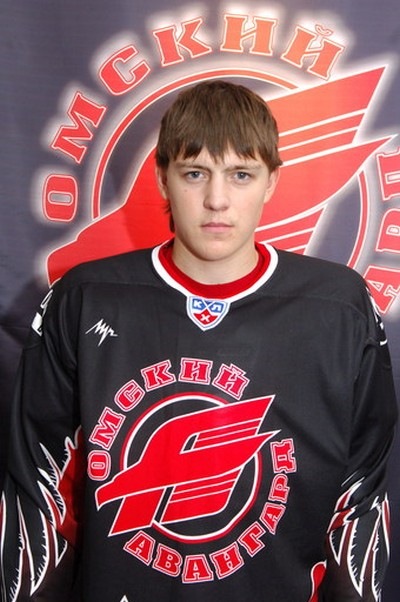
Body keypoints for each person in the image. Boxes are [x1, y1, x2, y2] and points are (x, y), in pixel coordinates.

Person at [0, 80, 397, 602]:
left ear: (272, 182)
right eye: (194, 173)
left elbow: (361, 491)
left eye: (240, 174)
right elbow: (37, 485)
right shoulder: (85, 299)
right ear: (162, 179)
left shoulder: (340, 308)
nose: (216, 200)